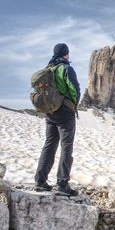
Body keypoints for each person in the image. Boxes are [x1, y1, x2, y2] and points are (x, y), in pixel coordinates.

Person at [34, 43, 80, 196]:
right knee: (66, 146)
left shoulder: (49, 69)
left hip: (50, 112)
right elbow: (74, 90)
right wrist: (72, 104)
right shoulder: (66, 69)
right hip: (65, 113)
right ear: (66, 54)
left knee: (49, 145)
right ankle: (62, 183)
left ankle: (40, 181)